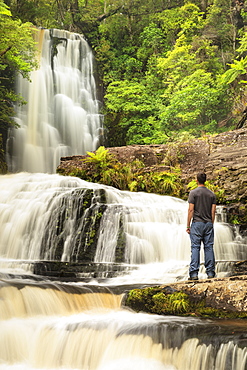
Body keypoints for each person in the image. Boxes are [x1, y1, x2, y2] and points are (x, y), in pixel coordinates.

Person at [186, 173, 216, 280]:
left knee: (195, 247)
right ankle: (211, 273)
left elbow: (191, 210)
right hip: (208, 223)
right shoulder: (212, 194)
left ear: (196, 180)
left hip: (197, 223)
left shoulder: (193, 193)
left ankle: (194, 274)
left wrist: (188, 225)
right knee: (208, 247)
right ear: (205, 181)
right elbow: (213, 211)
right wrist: (211, 223)